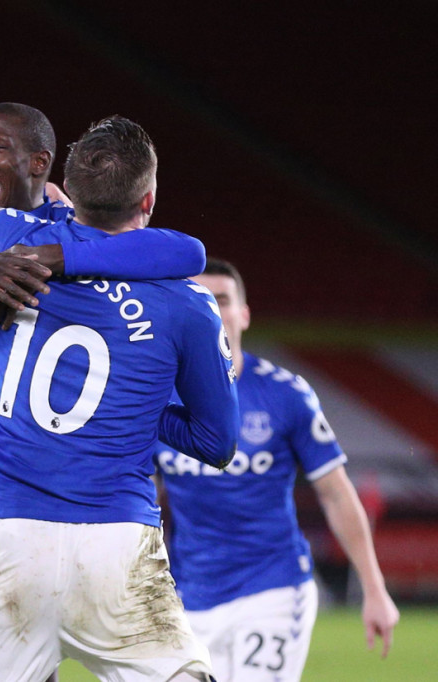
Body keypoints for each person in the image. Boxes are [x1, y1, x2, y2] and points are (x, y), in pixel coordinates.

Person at [0, 103, 207, 682]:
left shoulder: (59, 230)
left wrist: (51, 255)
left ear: (41, 163)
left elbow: (186, 253)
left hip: (29, 487)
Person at [155, 258, 400, 681]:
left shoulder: (287, 395)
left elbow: (336, 492)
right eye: (201, 299)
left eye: (224, 299)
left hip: (272, 588)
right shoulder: (158, 400)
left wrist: (375, 589)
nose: (213, 308)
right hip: (189, 596)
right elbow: (150, 498)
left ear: (244, 314)